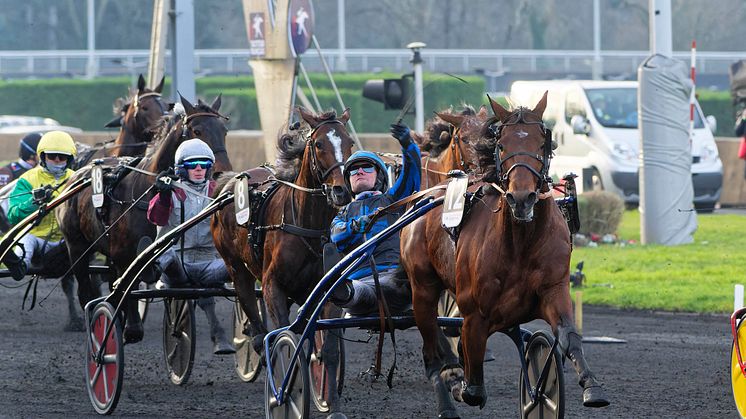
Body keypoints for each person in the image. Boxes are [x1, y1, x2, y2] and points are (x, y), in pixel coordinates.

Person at [147, 138, 234, 355]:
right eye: (192, 164)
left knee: (238, 264)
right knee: (168, 259)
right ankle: (156, 270)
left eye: (204, 165)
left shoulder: (218, 192)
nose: (198, 169)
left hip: (209, 262)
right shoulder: (171, 191)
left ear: (210, 167)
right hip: (176, 259)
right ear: (181, 168)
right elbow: (155, 217)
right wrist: (163, 194)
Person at [329, 123, 421, 315]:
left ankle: (346, 293)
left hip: (394, 278)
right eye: (353, 170)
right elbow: (336, 236)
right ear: (349, 181)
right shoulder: (343, 213)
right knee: (359, 291)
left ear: (379, 176)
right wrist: (357, 225)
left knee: (388, 287)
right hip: (360, 282)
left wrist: (408, 145)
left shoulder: (393, 200)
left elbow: (411, 174)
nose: (359, 172)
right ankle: (345, 292)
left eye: (366, 168)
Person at [2, 131, 77, 281]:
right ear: (42, 156)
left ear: (69, 159)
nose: (56, 160)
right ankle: (19, 264)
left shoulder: (77, 178)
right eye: (52, 156)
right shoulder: (27, 179)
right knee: (26, 238)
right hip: (35, 237)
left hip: (65, 239)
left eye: (61, 157)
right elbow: (13, 214)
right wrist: (35, 202)